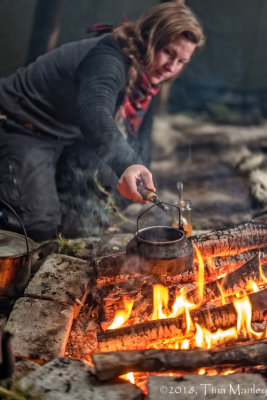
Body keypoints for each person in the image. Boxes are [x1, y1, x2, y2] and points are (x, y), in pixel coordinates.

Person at [0, 0, 204, 241]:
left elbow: (140, 141)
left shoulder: (147, 77)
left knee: (112, 192)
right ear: (150, 37)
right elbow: (95, 112)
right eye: (168, 52)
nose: (171, 66)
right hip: (21, 127)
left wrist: (142, 175)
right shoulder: (108, 58)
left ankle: (41, 200)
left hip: (67, 137)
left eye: (181, 61)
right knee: (37, 225)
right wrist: (128, 164)